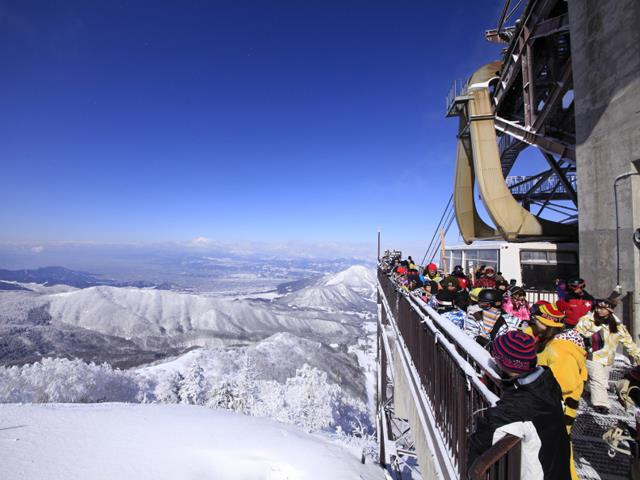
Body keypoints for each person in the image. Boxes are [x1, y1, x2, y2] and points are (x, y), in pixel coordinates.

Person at [468, 331, 571, 479]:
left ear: (503, 362)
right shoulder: (547, 383)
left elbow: (482, 439)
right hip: (559, 469)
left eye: (494, 354)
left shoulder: (516, 407)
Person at [538, 300, 589, 480]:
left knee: (558, 452)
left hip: (559, 410)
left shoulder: (559, 350)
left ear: (545, 323)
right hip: (554, 409)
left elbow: (563, 384)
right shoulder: (553, 344)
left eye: (533, 321)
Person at [576, 292, 640, 413]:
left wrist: (637, 356)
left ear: (610, 310)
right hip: (592, 357)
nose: (599, 310)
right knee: (599, 381)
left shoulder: (617, 325)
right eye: (598, 307)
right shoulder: (587, 320)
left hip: (608, 359)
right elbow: (577, 335)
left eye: (602, 308)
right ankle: (601, 406)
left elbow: (628, 342)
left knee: (599, 381)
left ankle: (587, 391)